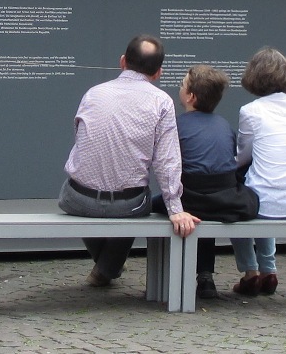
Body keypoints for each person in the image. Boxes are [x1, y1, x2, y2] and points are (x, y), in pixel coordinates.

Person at [59, 34, 200, 287]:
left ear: (122, 61)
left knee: (75, 191)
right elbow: (167, 162)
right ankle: (107, 269)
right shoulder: (162, 102)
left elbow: (81, 142)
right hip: (129, 204)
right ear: (158, 72)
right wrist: (175, 210)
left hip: (78, 200)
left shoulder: (93, 93)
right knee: (137, 199)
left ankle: (107, 267)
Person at [231, 47, 286, 296]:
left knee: (240, 196)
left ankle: (251, 273)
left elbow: (242, 156)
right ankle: (269, 270)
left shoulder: (251, 111)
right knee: (263, 190)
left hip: (265, 204)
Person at [176, 65, 255, 302]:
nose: (179, 87)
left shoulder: (177, 125)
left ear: (190, 96)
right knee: (207, 204)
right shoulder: (223, 125)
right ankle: (206, 276)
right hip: (224, 200)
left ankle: (178, 276)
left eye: (182, 84)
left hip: (191, 199)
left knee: (182, 207)